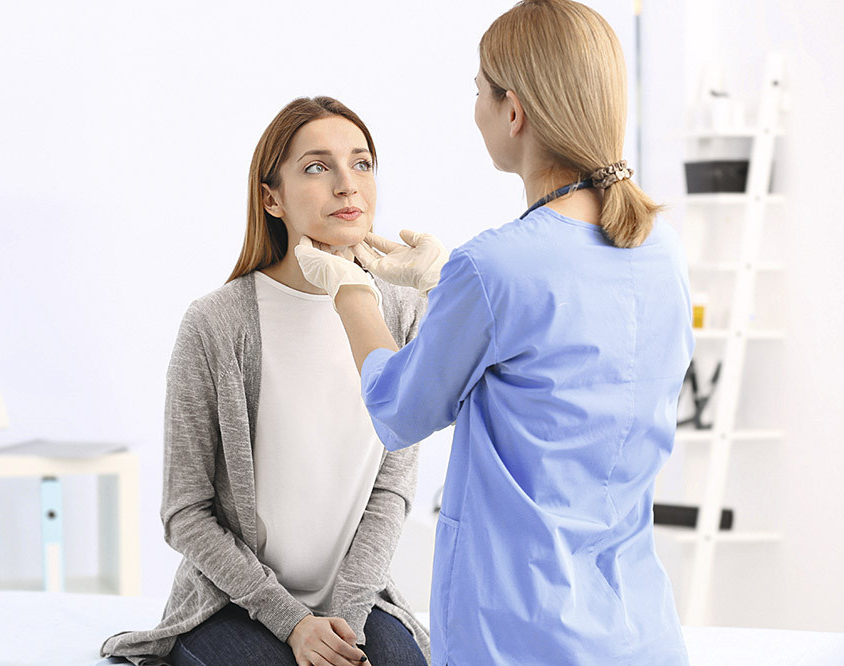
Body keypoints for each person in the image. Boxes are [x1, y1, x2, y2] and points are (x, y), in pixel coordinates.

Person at [294, 1, 694, 664]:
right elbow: (556, 353)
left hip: (520, 634)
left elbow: (399, 409)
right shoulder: (661, 249)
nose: (475, 108)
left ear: (514, 112)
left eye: (479, 90)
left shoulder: (495, 266)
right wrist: (443, 284)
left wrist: (350, 288)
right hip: (637, 633)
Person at [100, 96, 430, 666]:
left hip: (353, 598)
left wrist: (345, 625)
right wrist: (292, 621)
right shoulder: (216, 323)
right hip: (235, 602)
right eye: (317, 167)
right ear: (271, 198)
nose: (347, 185)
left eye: (362, 163)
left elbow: (392, 488)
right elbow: (184, 512)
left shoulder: (401, 310)